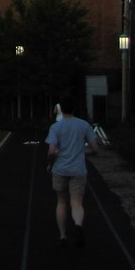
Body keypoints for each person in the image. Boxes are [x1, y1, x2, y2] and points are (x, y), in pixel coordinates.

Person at [45, 96, 98, 247]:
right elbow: (95, 149)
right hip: (78, 169)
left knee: (61, 201)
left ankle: (62, 236)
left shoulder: (56, 127)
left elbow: (51, 151)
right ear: (75, 108)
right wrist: (83, 153)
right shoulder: (84, 125)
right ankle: (78, 225)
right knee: (77, 202)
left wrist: (50, 165)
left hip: (60, 168)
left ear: (61, 109)